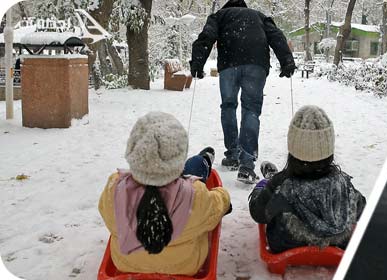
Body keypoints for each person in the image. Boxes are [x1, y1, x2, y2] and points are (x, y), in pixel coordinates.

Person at [98, 112, 231, 275]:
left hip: (126, 264)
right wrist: (223, 196)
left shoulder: (114, 187)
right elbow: (216, 208)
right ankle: (201, 161)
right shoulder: (195, 195)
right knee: (195, 166)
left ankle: (197, 162)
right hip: (183, 266)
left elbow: (106, 212)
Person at [190, 0, 297, 184]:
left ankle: (232, 155)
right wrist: (287, 60)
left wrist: (198, 62)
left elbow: (206, 36)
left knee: (228, 107)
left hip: (229, 65)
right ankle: (246, 165)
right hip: (256, 65)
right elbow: (277, 36)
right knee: (251, 110)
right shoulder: (259, 16)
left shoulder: (220, 16)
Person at [248, 105, 366, 253]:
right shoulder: (341, 183)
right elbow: (362, 209)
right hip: (337, 245)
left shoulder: (283, 184)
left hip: (286, 245)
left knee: (270, 192)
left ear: (293, 149)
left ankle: (267, 178)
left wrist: (260, 189)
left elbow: (258, 212)